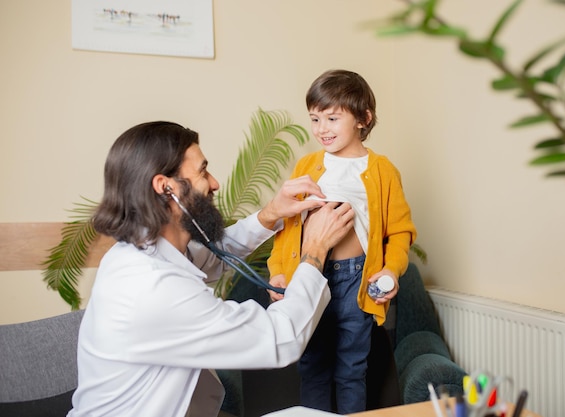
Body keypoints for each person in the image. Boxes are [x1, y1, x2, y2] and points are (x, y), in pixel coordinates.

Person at [67, 121, 355, 417]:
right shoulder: (152, 286)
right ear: (166, 188)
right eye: (203, 171)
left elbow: (213, 255)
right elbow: (279, 338)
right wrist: (315, 250)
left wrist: (271, 214)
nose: (215, 183)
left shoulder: (143, 253)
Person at [266, 69, 417, 414]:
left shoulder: (381, 170)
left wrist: (390, 271)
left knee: (352, 370)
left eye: (332, 118)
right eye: (315, 118)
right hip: (310, 276)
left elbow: (400, 232)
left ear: (364, 118)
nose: (321, 129)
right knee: (312, 367)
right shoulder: (307, 165)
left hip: (357, 281)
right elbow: (286, 227)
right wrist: (279, 273)